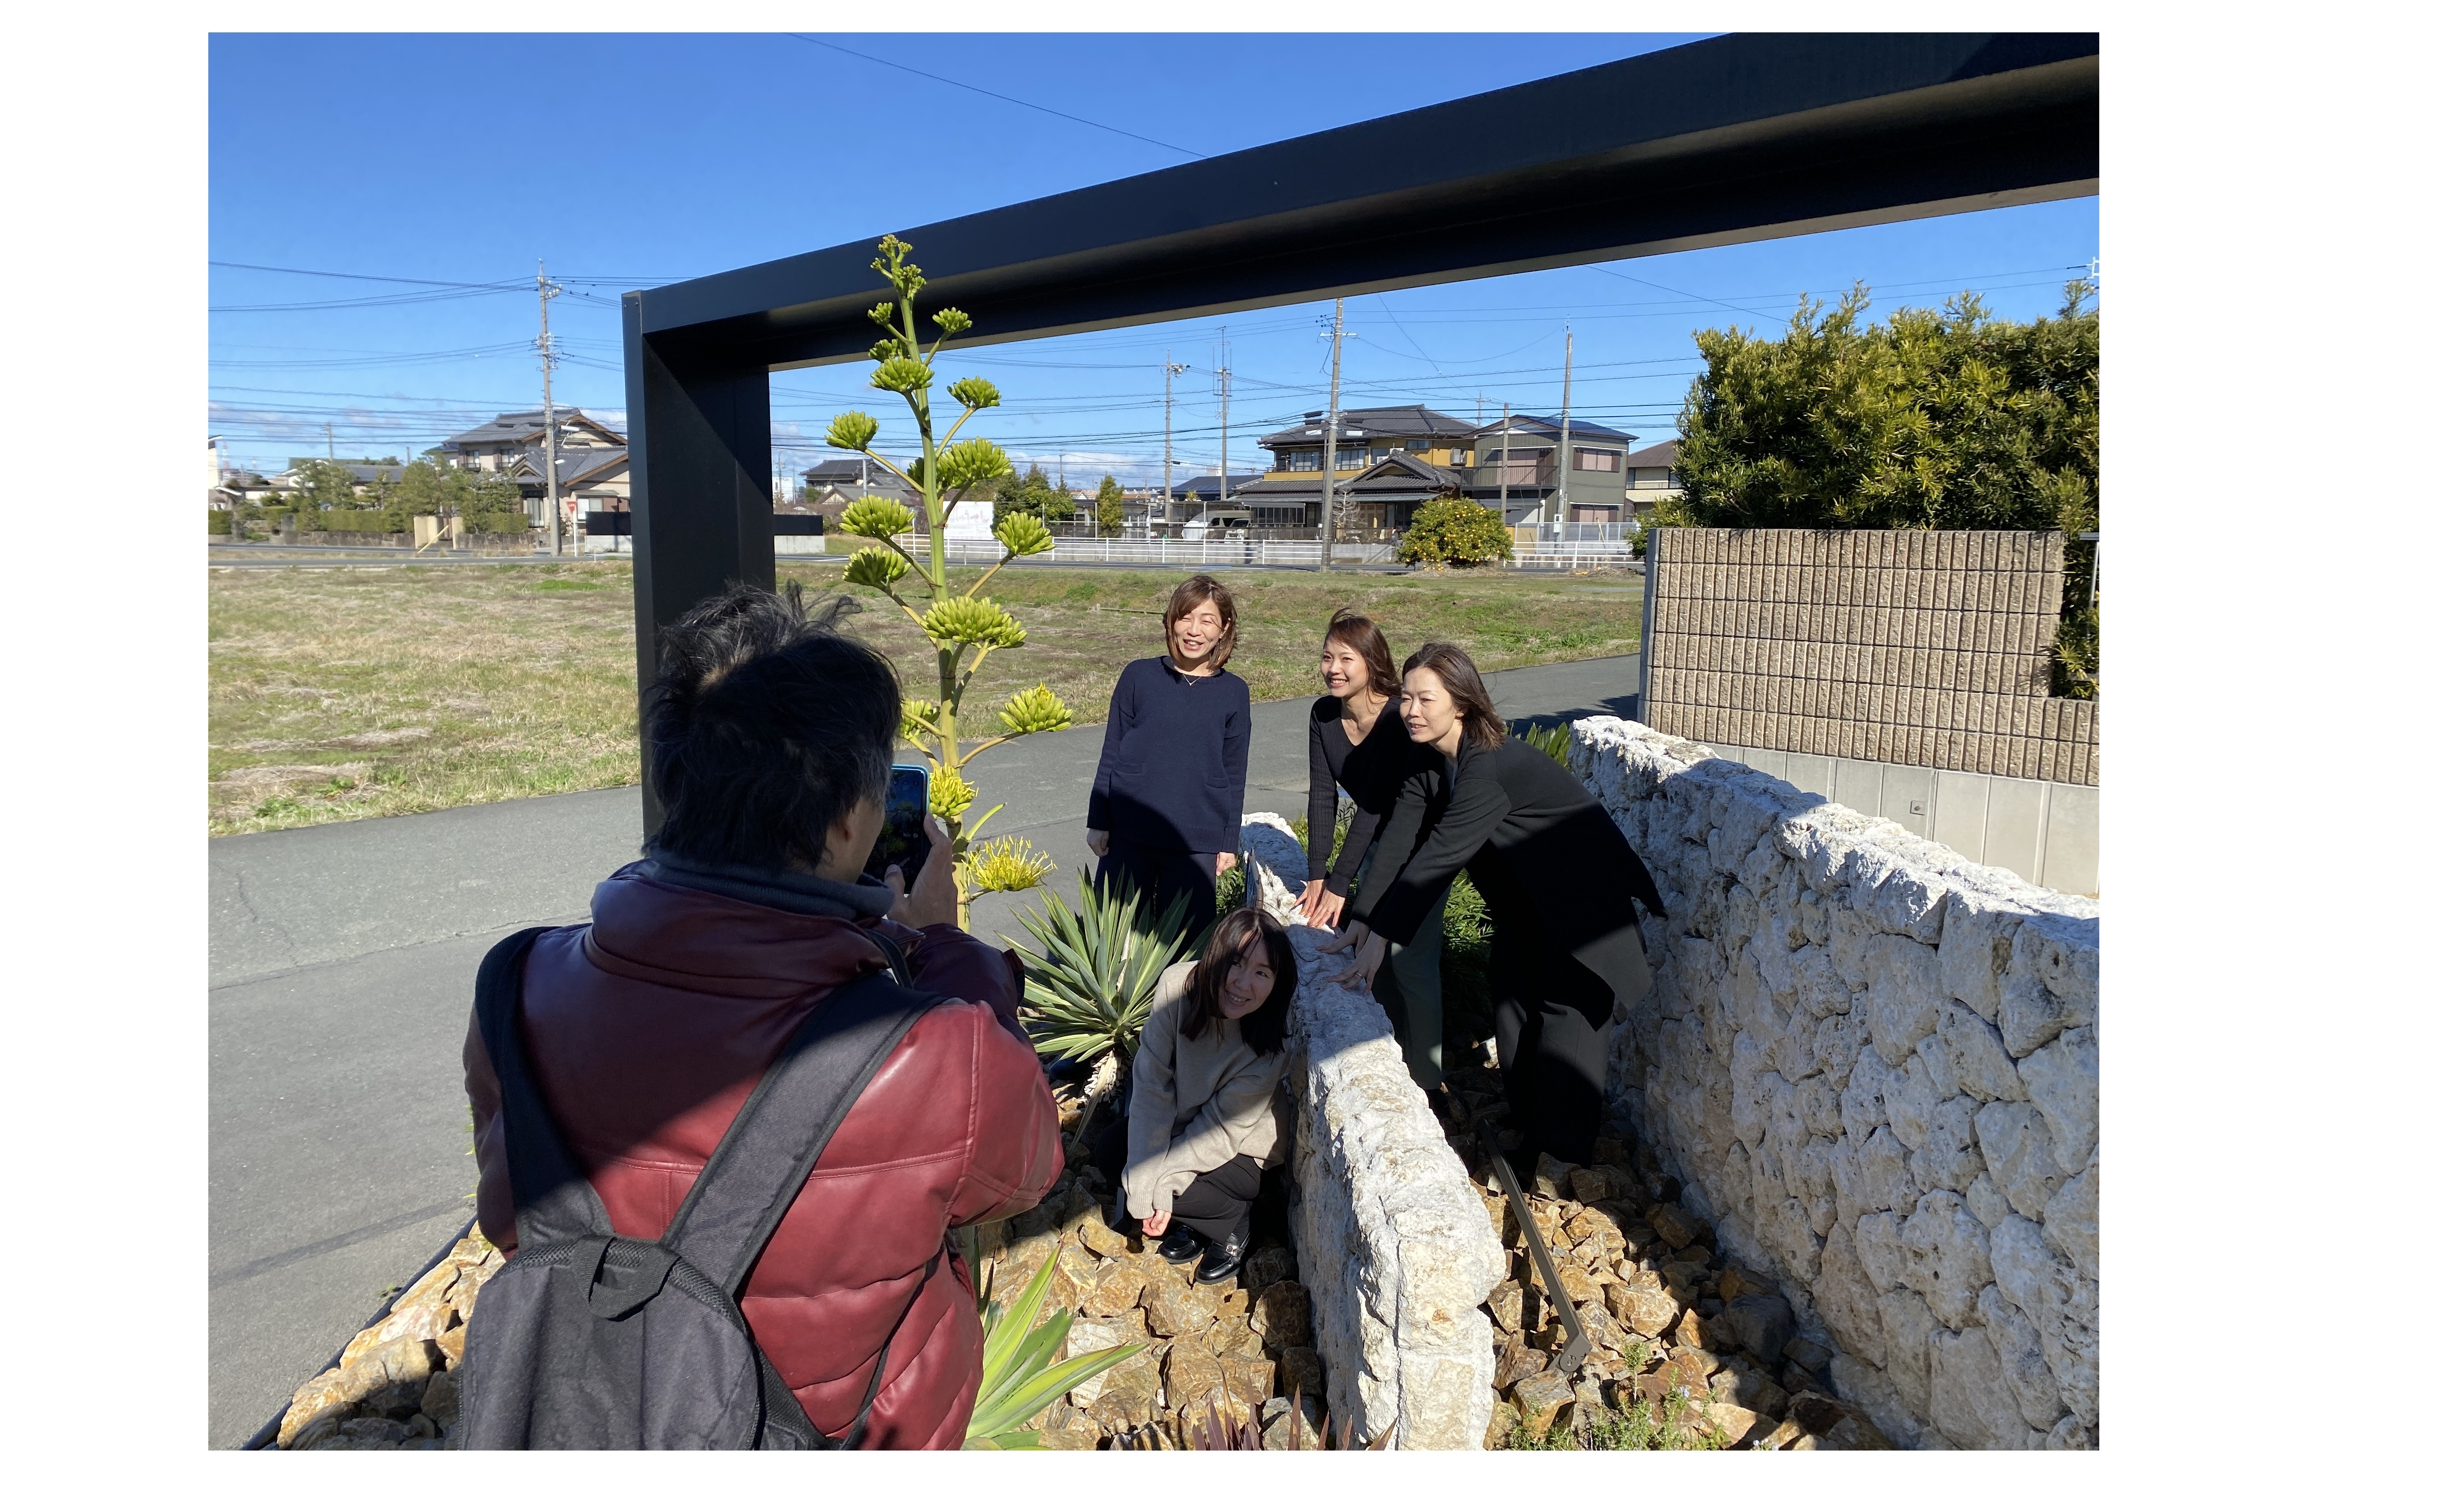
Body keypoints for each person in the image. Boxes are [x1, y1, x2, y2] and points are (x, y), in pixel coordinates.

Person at [461, 584, 1063, 1450]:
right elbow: (1028, 1170)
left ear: (676, 778)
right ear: (855, 815)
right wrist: (941, 945)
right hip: (836, 1433)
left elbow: (509, 1213)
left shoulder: (513, 983)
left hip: (589, 1406)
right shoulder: (942, 1049)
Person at [1324, 642, 1667, 1167]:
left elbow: (1438, 857)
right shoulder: (1433, 757)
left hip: (1581, 916)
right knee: (1511, 1015)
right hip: (1527, 911)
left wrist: (1381, 943)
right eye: (1407, 698)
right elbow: (1400, 837)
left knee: (1564, 1030)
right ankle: (1530, 1134)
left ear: (1460, 703)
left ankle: (1560, 1164)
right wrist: (1363, 918)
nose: (1410, 711)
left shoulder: (1490, 766)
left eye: (1425, 700)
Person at [1087, 906, 1297, 1286]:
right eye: (1236, 963)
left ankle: (1236, 1222)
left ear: (1276, 982)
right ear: (1216, 955)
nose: (1243, 984)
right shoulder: (1177, 987)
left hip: (1242, 1149)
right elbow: (1152, 1086)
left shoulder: (1270, 1046)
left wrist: (1163, 1186)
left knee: (1166, 1187)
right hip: (1182, 1124)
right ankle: (1198, 1222)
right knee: (1114, 1153)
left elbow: (1221, 1130)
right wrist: (1145, 1178)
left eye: (1262, 973)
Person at [1295, 609, 1449, 1093]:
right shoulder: (1323, 716)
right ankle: (1383, 1052)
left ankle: (1426, 1079)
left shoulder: (1393, 718)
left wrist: (1341, 884)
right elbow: (1323, 796)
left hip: (1419, 845)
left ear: (1371, 663)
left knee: (1410, 957)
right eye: (1327, 656)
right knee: (1366, 949)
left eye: (1346, 658)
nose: (1333, 668)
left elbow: (1377, 807)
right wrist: (1317, 875)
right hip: (1373, 849)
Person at [1085, 574, 1250, 945]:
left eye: (1207, 620)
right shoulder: (1139, 675)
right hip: (1129, 831)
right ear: (1170, 622)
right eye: (1185, 617)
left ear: (1224, 629)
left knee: (1186, 944)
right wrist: (1099, 819)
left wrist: (1227, 841)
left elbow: (1235, 770)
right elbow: (1112, 748)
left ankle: (1176, 1006)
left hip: (1196, 840)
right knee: (1112, 939)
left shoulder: (1234, 692)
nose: (1194, 630)